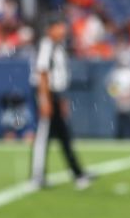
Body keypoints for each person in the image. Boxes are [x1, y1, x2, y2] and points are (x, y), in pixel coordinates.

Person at [30, 20, 91, 190]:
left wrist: (62, 99)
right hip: (47, 95)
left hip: (55, 95)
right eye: (59, 26)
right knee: (43, 137)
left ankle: (78, 172)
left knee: (64, 137)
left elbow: (58, 78)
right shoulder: (47, 45)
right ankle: (37, 176)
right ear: (50, 28)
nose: (63, 30)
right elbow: (42, 74)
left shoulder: (58, 47)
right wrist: (45, 101)